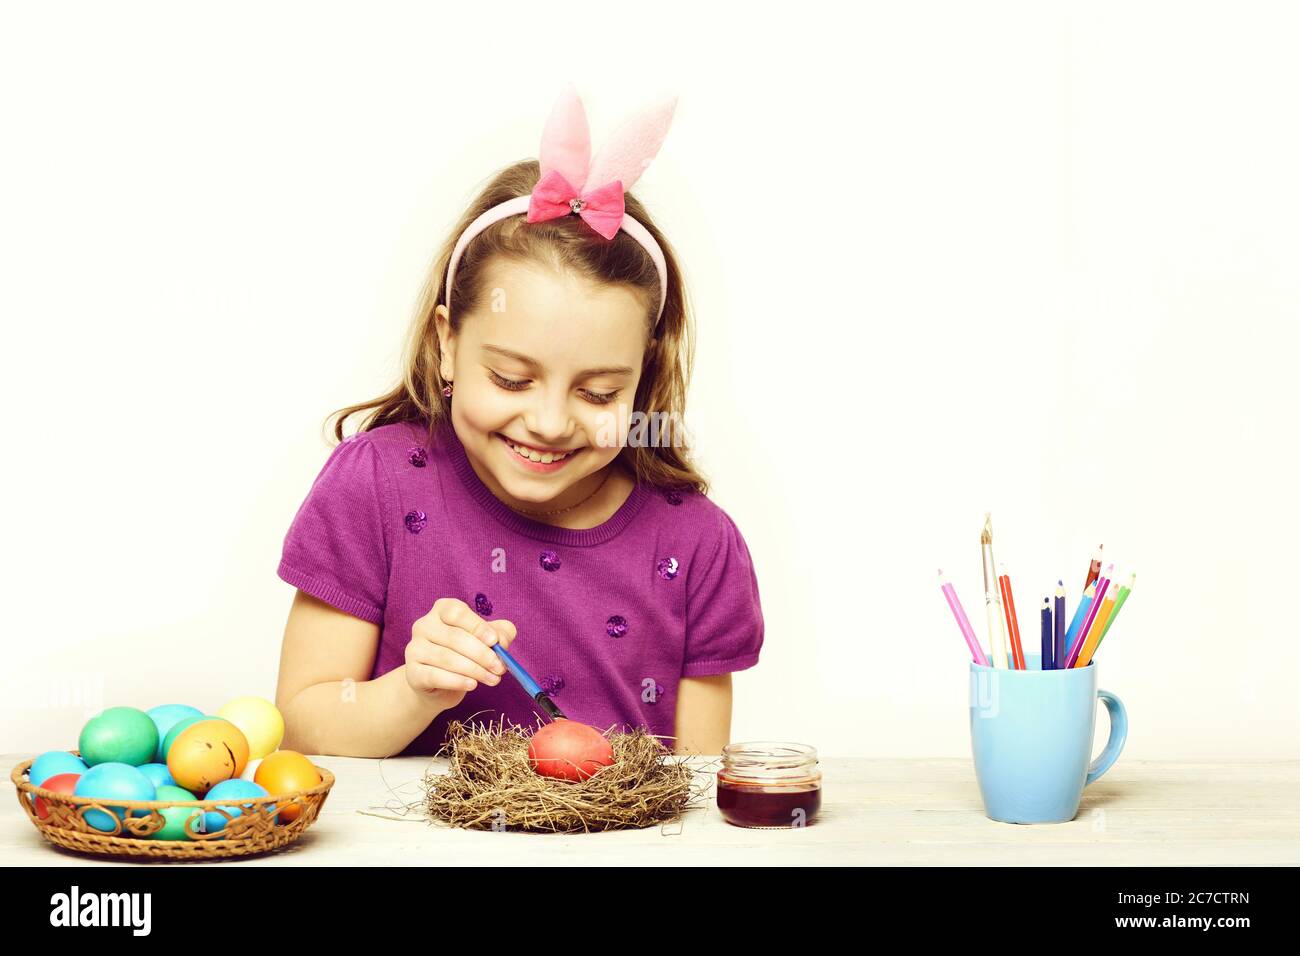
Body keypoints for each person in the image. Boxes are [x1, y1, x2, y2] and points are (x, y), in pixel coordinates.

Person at [273, 88, 763, 757]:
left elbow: (699, 784)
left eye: (598, 392)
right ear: (447, 344)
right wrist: (413, 691)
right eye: (511, 379)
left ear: (642, 377)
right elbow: (301, 725)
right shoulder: (376, 485)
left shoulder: (697, 545)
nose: (550, 422)